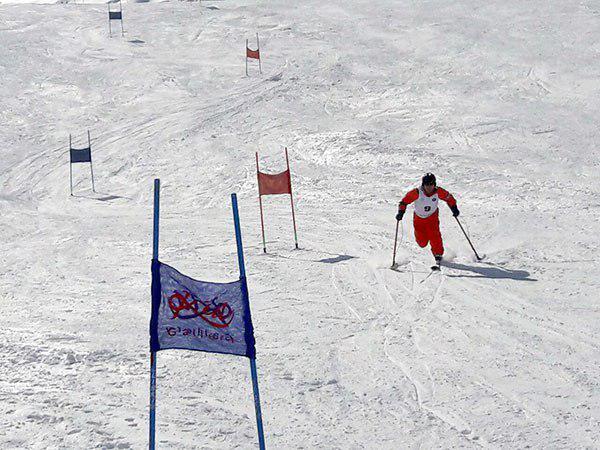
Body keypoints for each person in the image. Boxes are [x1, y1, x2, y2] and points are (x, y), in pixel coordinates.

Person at [396, 173, 459, 267]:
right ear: (423, 185)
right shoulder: (417, 192)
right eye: (427, 185)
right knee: (422, 243)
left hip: (432, 217)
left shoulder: (438, 191)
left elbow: (449, 198)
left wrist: (454, 208)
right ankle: (426, 240)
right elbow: (404, 202)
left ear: (434, 184)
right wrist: (401, 212)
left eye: (431, 184)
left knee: (435, 235)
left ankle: (438, 254)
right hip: (419, 219)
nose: (429, 187)